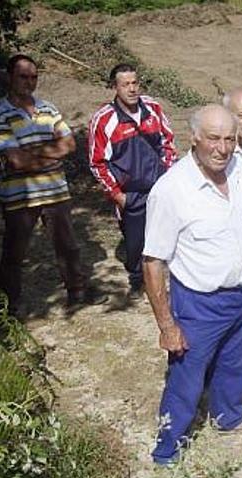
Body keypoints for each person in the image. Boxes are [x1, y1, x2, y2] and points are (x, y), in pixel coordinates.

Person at [144, 105, 242, 465]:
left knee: (237, 362)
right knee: (186, 377)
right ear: (195, 138)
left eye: (229, 139)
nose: (222, 148)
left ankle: (229, 417)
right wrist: (167, 326)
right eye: (213, 138)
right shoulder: (172, 189)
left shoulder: (240, 169)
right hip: (201, 303)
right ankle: (169, 447)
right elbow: (153, 261)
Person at [0, 54, 106, 313]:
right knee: (14, 254)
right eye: (23, 76)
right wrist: (52, 152)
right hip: (21, 196)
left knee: (68, 246)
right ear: (10, 77)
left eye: (34, 77)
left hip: (55, 191)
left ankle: (77, 291)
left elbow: (71, 144)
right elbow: (16, 160)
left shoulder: (49, 108)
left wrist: (34, 155)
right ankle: (5, 306)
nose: (29, 82)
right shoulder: (0, 114)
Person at [88, 63, 177, 301]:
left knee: (162, 236)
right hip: (131, 193)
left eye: (135, 83)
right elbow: (97, 162)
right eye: (125, 84)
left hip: (159, 188)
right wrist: (117, 195)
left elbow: (168, 143)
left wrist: (168, 175)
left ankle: (161, 282)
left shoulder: (153, 108)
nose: (131, 88)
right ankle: (138, 281)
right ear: (114, 87)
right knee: (136, 242)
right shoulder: (104, 119)